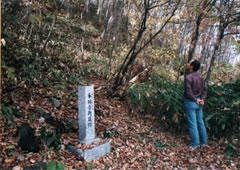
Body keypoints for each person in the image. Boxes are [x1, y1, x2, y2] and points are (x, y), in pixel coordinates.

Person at [184, 59, 208, 149]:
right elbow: (205, 89)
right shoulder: (201, 77)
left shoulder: (188, 77)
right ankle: (204, 142)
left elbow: (188, 92)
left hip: (191, 102)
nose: (187, 63)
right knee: (200, 122)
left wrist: (195, 99)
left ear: (192, 66)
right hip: (199, 102)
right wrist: (202, 99)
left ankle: (195, 144)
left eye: (189, 63)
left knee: (193, 124)